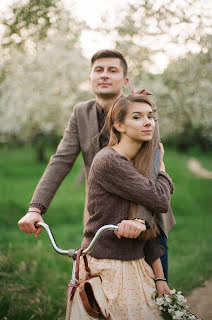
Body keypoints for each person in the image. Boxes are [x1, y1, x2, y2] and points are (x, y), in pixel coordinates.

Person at [18, 49, 175, 280]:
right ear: (90, 78)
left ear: (125, 81)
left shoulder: (141, 110)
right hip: (102, 222)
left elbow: (151, 164)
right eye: (98, 70)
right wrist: (35, 208)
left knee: (154, 298)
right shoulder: (81, 112)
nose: (104, 75)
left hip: (145, 221)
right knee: (101, 300)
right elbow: (60, 161)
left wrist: (140, 220)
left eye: (112, 70)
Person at [70, 94, 173, 320]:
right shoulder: (110, 161)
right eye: (137, 117)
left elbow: (149, 224)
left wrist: (160, 278)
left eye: (150, 117)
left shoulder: (137, 164)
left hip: (136, 265)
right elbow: (161, 200)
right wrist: (162, 169)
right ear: (118, 125)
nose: (148, 122)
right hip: (110, 266)